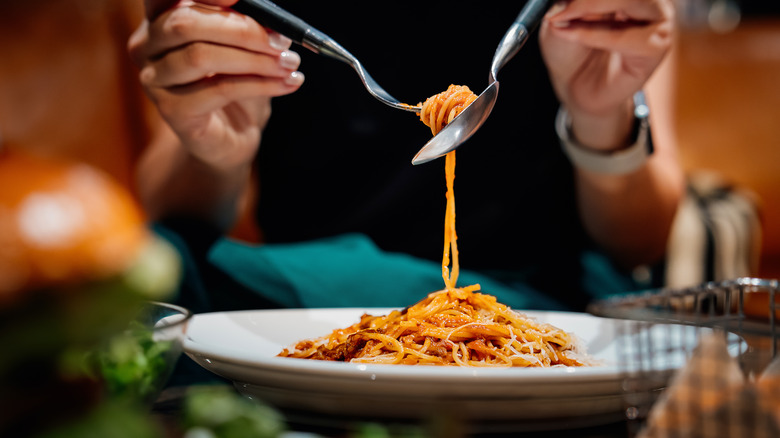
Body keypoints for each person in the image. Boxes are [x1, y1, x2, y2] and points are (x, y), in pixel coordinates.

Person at [128, 0, 684, 313]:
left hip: (538, 300)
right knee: (143, 277)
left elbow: (641, 240)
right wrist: (214, 148)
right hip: (304, 301)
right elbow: (169, 213)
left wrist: (600, 117)